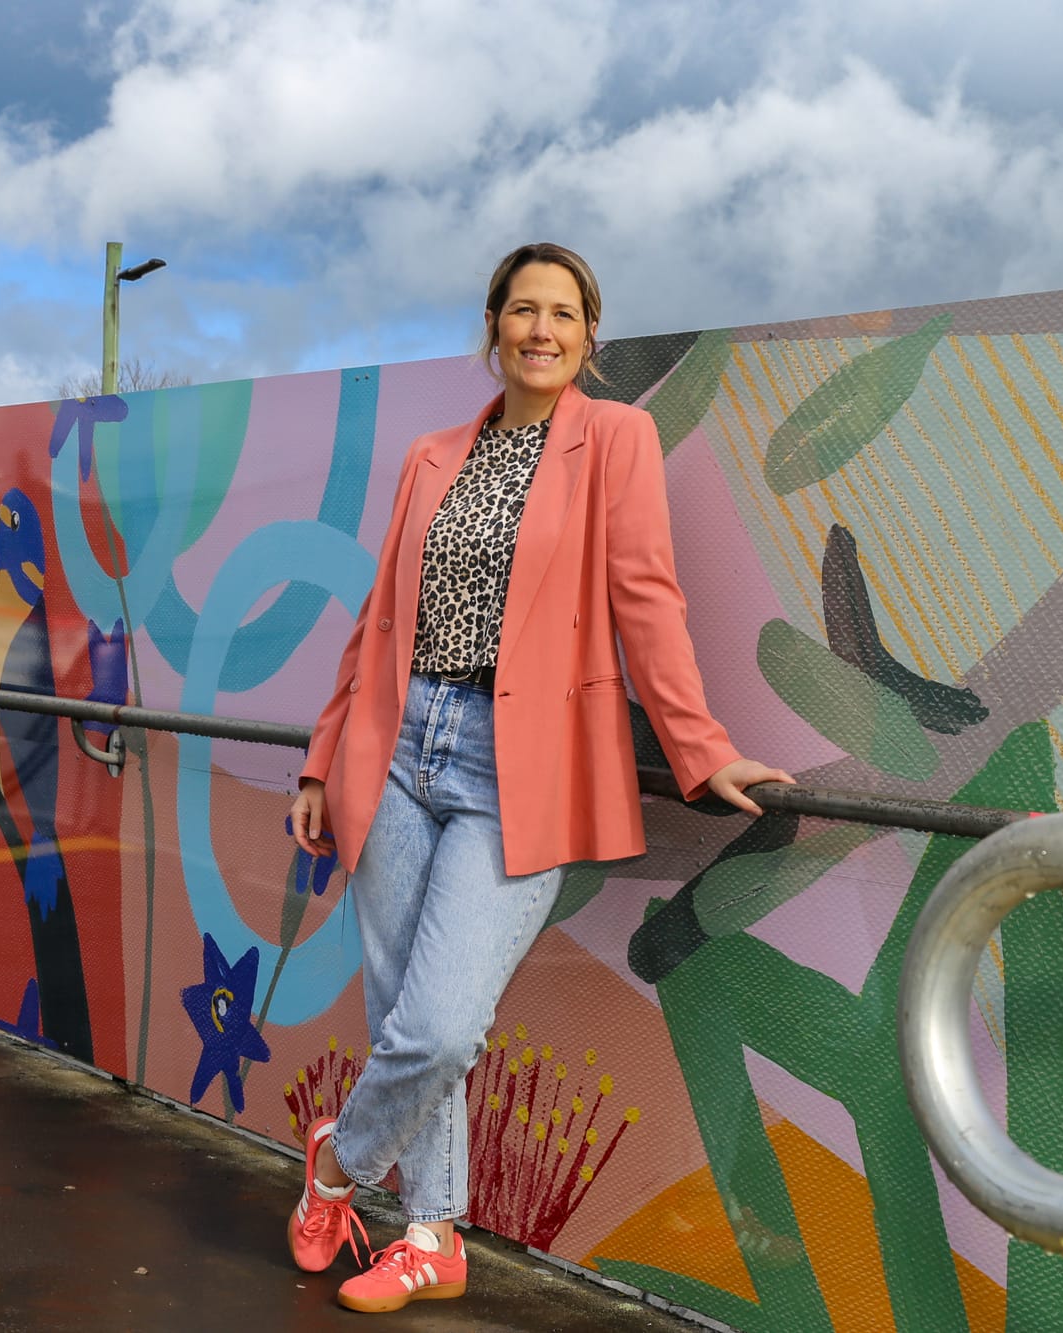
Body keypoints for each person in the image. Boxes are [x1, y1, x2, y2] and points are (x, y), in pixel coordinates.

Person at [285, 241, 793, 1314]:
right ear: (493, 325)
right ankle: (429, 1235)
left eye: (563, 312)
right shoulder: (433, 454)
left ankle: (337, 1162)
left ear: (589, 336)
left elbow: (646, 599)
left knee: (437, 1027)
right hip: (395, 739)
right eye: (523, 309)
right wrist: (321, 760)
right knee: (397, 1017)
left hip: (515, 765)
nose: (541, 328)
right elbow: (377, 622)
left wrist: (698, 747)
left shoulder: (615, 439)